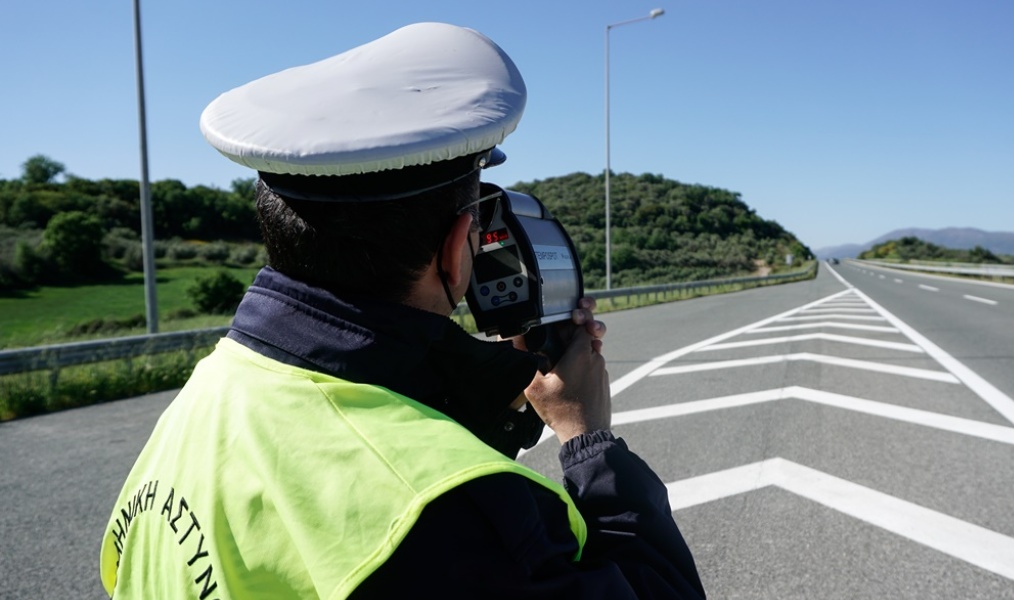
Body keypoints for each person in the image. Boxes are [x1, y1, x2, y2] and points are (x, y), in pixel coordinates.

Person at [100, 22, 704, 599]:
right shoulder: (443, 508)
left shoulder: (209, 395)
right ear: (455, 247)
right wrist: (587, 440)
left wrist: (495, 394)